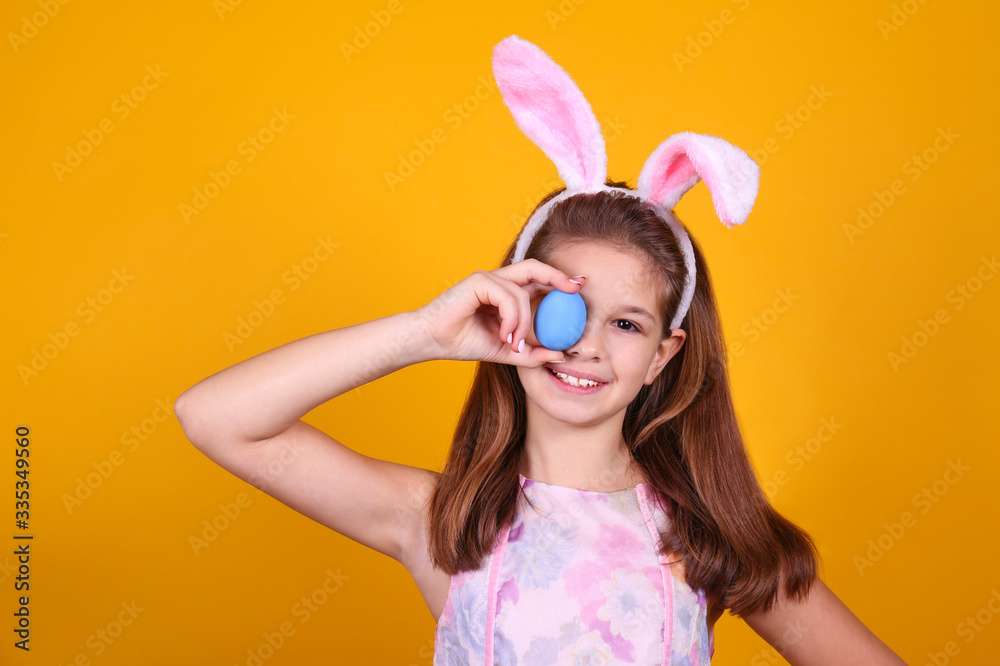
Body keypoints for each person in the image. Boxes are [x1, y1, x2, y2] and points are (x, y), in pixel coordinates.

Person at [175, 36, 906, 665]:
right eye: (567, 308)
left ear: (662, 355)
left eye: (626, 325)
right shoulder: (439, 523)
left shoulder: (708, 538)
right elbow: (215, 417)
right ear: (519, 307)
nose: (586, 343)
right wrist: (427, 333)